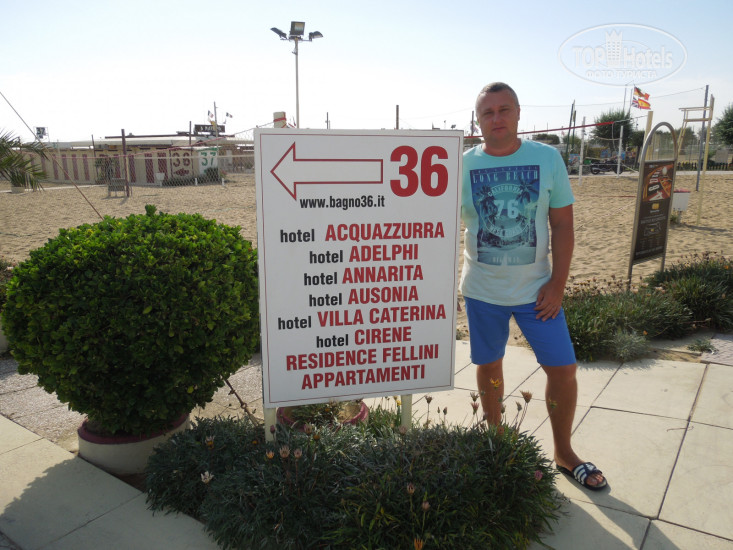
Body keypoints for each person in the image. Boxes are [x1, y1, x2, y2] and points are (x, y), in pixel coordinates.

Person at [460, 82, 607, 490]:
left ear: (519, 113)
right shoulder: (461, 166)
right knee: (489, 366)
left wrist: (558, 283)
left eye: (504, 109)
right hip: (482, 289)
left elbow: (562, 224)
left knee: (563, 369)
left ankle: (564, 452)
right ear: (478, 121)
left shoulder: (547, 158)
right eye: (488, 112)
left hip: (538, 292)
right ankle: (496, 442)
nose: (497, 118)